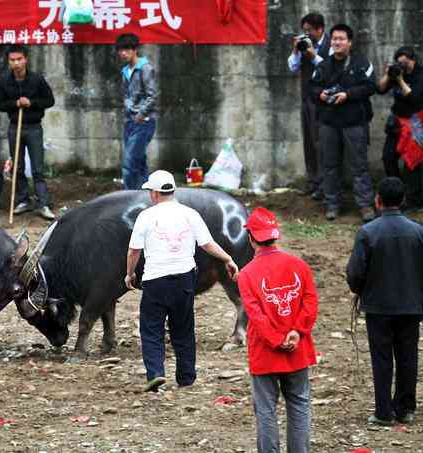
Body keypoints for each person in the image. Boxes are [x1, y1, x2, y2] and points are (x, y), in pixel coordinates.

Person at [125, 170, 238, 392]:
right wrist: (228, 258)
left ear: (155, 193)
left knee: (151, 329)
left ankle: (156, 374)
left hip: (155, 281)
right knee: (184, 328)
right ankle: (186, 377)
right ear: (172, 191)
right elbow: (207, 244)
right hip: (185, 280)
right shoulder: (190, 214)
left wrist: (130, 273)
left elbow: (133, 251)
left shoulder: (146, 217)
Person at [237, 207, 318, 453]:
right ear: (276, 235)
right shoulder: (299, 265)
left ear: (251, 238)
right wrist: (296, 332)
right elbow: (310, 302)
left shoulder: (247, 274)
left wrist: (275, 339)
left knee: (265, 411)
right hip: (297, 350)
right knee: (299, 405)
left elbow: (256, 316)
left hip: (264, 353)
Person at [346, 177, 423, 426]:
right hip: (411, 306)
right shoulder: (418, 232)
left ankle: (383, 412)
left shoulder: (368, 232)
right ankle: (406, 408)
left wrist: (358, 290)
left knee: (382, 358)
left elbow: (355, 272)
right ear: (402, 201)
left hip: (378, 307)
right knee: (408, 355)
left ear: (378, 200)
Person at [310, 23, 376, 222]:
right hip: (328, 123)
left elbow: (371, 86)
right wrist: (319, 94)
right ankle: (332, 204)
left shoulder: (361, 63)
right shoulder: (323, 65)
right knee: (329, 165)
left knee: (359, 166)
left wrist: (348, 94)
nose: (337, 42)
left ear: (350, 42)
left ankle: (365, 205)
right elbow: (311, 88)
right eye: (334, 39)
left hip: (354, 122)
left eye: (341, 39)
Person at [0, 44, 56, 220]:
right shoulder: (5, 81)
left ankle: (43, 203)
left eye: (19, 59)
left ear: (25, 59)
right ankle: (22, 200)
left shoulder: (36, 79)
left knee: (37, 168)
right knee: (18, 166)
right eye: (12, 60)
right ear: (9, 62)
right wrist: (15, 104)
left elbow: (49, 100)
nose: (16, 63)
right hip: (15, 127)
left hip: (34, 127)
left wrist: (31, 103)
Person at [287, 13, 331, 200]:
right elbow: (292, 67)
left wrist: (313, 56)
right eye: (304, 31)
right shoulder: (304, 46)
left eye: (309, 31)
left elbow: (330, 68)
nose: (307, 35)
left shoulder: (331, 45)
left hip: (324, 102)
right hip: (307, 99)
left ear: (319, 29)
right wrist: (296, 50)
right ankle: (313, 182)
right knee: (309, 144)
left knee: (321, 144)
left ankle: (324, 185)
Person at [376, 46, 423, 211]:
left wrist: (401, 80)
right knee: (388, 158)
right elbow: (380, 89)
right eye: (399, 63)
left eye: (405, 63)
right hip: (397, 123)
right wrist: (389, 75)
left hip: (415, 124)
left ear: (413, 60)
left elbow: (415, 99)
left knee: (412, 164)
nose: (402, 66)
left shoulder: (419, 74)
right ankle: (397, 195)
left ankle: (414, 201)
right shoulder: (396, 73)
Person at [115, 33, 157, 191]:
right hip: (130, 121)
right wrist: (129, 111)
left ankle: (128, 196)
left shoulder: (145, 68)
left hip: (143, 122)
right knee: (139, 162)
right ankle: (146, 194)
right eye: (120, 50)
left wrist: (140, 114)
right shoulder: (125, 71)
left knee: (129, 162)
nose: (122, 53)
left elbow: (152, 95)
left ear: (134, 50)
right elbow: (125, 95)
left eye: (125, 50)